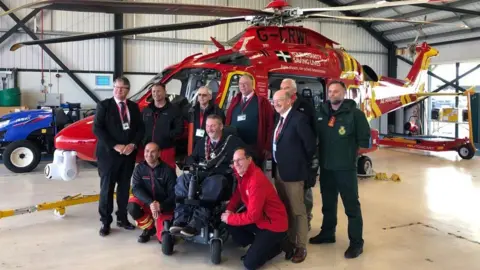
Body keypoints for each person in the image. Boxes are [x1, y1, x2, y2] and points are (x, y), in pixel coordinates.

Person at [309, 80, 370, 259]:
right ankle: (328, 233)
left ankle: (356, 242)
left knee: (351, 206)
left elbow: (364, 141)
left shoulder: (355, 115)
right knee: (328, 204)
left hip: (345, 168)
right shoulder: (321, 113)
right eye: (330, 91)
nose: (332, 94)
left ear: (344, 93)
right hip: (326, 168)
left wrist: (349, 155)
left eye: (336, 91)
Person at [169, 114, 246, 237]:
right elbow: (192, 157)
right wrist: (190, 162)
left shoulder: (233, 142)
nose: (209, 129)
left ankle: (196, 223)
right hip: (201, 175)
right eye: (207, 126)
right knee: (183, 179)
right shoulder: (202, 142)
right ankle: (181, 219)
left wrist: (234, 165)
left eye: (213, 126)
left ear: (221, 126)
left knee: (214, 183)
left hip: (222, 177)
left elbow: (246, 157)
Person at [221, 148, 294, 270]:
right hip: (260, 219)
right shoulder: (242, 173)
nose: (236, 164)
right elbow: (239, 193)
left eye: (239, 160)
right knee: (231, 225)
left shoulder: (256, 180)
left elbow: (252, 216)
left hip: (273, 225)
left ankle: (279, 245)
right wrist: (230, 209)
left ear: (249, 160)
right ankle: (260, 244)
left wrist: (231, 218)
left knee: (249, 264)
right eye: (234, 161)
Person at [93, 76, 145, 237]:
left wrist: (133, 145)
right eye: (116, 87)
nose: (119, 90)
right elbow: (98, 129)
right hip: (108, 155)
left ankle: (122, 218)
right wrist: (116, 146)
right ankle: (105, 222)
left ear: (128, 90)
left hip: (128, 155)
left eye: (122, 88)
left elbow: (140, 129)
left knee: (123, 189)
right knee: (106, 189)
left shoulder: (134, 107)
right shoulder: (104, 106)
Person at [271, 90, 316, 263]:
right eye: (274, 101)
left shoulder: (299, 119)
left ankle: (301, 246)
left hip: (294, 173)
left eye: (280, 100)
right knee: (285, 209)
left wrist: (299, 163)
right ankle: (289, 241)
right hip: (280, 172)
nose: (276, 104)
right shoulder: (279, 118)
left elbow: (310, 146)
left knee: (298, 211)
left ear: (289, 101)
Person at [280, 78, 318, 231]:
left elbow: (313, 133)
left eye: (287, 87)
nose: (284, 89)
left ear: (294, 90)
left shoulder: (305, 107)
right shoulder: (280, 106)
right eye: (282, 87)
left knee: (305, 193)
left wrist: (310, 158)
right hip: (287, 160)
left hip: (303, 160)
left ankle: (306, 221)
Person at [127, 142, 177, 243]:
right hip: (148, 203)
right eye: (147, 151)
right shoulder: (139, 169)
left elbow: (174, 194)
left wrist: (161, 206)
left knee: (163, 240)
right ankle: (149, 228)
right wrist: (151, 203)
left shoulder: (168, 171)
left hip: (163, 206)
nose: (149, 154)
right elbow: (136, 189)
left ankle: (161, 227)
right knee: (132, 207)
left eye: (153, 151)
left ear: (159, 154)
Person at [225, 74, 274, 167]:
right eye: (240, 84)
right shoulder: (235, 101)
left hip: (254, 148)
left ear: (252, 85)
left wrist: (267, 147)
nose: (242, 86)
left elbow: (270, 125)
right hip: (235, 147)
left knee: (254, 175)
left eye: (246, 83)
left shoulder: (262, 102)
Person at [142, 82, 183, 169]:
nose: (156, 94)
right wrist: (144, 140)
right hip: (149, 151)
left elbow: (179, 129)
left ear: (165, 92)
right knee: (149, 174)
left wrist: (165, 137)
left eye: (158, 91)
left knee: (168, 174)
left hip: (166, 149)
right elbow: (140, 128)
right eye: (153, 91)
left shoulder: (174, 110)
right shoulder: (146, 110)